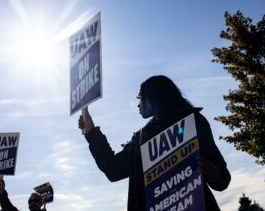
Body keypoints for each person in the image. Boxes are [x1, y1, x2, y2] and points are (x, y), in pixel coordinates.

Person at [78, 75, 231, 211]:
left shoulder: (192, 122)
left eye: (140, 97)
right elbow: (113, 169)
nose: (138, 104)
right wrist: (91, 132)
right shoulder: (141, 139)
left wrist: (215, 175)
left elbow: (222, 177)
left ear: (156, 97)